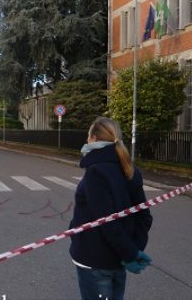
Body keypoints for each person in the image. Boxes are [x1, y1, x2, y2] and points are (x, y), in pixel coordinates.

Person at [69, 117, 153, 300]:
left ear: (93, 138)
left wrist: (130, 253)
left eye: (88, 136)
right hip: (118, 260)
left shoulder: (96, 172)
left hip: (94, 260)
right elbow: (144, 217)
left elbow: (107, 223)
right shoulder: (130, 169)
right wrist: (132, 251)